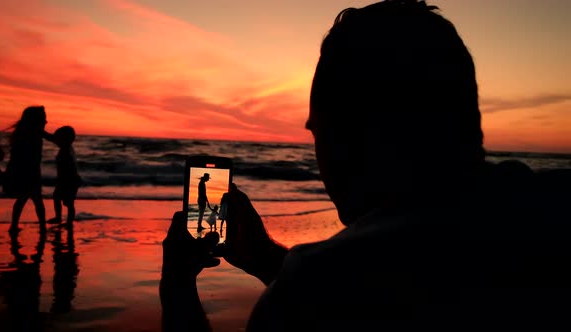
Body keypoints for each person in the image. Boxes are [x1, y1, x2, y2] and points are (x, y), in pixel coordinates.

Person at [160, 1, 571, 331]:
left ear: (350, 135)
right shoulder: (551, 212)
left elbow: (351, 286)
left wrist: (177, 286)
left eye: (318, 132)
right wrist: (264, 256)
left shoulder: (309, 295)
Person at [3, 105, 50, 233]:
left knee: (25, 199)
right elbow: (54, 139)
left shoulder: (23, 132)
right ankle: (42, 227)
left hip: (24, 171)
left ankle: (14, 225)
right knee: (36, 200)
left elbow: (15, 158)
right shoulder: (35, 132)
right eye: (43, 119)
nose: (46, 122)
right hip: (30, 172)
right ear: (35, 120)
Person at [46, 126, 81, 227]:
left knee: (68, 203)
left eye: (58, 139)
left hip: (69, 180)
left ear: (64, 139)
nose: (55, 141)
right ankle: (59, 217)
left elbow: (69, 169)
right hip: (65, 180)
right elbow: (52, 138)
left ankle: (68, 222)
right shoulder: (66, 147)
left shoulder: (66, 150)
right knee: (57, 198)